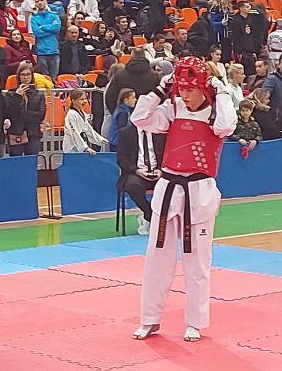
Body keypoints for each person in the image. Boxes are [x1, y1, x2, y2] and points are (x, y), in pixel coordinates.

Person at [130, 56, 236, 343]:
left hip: (198, 189)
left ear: (204, 87)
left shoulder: (215, 113)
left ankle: (195, 322)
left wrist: (221, 90)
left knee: (197, 262)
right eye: (182, 89)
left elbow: (227, 126)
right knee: (157, 257)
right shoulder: (173, 108)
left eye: (190, 89)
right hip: (168, 186)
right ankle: (150, 319)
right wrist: (159, 91)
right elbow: (139, 118)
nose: (185, 94)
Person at [117, 120, 165, 236]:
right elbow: (121, 159)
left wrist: (160, 170)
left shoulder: (160, 132)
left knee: (171, 185)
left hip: (158, 172)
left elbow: (167, 155)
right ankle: (149, 215)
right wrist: (137, 170)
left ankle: (161, 218)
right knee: (133, 185)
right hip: (135, 172)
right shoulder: (125, 133)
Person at [5, 62, 47, 156]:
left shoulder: (39, 94)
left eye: (28, 74)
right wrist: (17, 96)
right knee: (16, 162)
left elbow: (40, 115)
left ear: (32, 76)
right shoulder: (11, 94)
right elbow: (10, 113)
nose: (26, 77)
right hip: (16, 133)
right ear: (18, 76)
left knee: (31, 162)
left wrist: (21, 114)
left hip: (33, 134)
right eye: (23, 74)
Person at [105, 48, 160, 113]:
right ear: (145, 56)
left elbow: (110, 97)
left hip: (125, 115)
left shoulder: (119, 75)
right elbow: (160, 97)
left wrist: (117, 114)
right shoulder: (155, 76)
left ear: (131, 57)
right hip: (148, 115)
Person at [63, 89, 109, 153]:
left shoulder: (82, 113)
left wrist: (100, 139)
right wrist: (85, 148)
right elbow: (74, 133)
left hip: (81, 145)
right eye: (81, 99)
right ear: (73, 101)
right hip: (72, 147)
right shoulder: (71, 115)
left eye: (85, 99)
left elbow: (88, 129)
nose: (85, 101)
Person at [31, 0, 62, 77]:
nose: (40, 2)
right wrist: (51, 30)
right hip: (41, 52)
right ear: (35, 4)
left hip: (54, 51)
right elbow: (37, 33)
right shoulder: (34, 18)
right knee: (44, 77)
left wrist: (43, 27)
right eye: (37, 1)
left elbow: (57, 28)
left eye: (42, 0)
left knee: (54, 77)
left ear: (46, 2)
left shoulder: (54, 15)